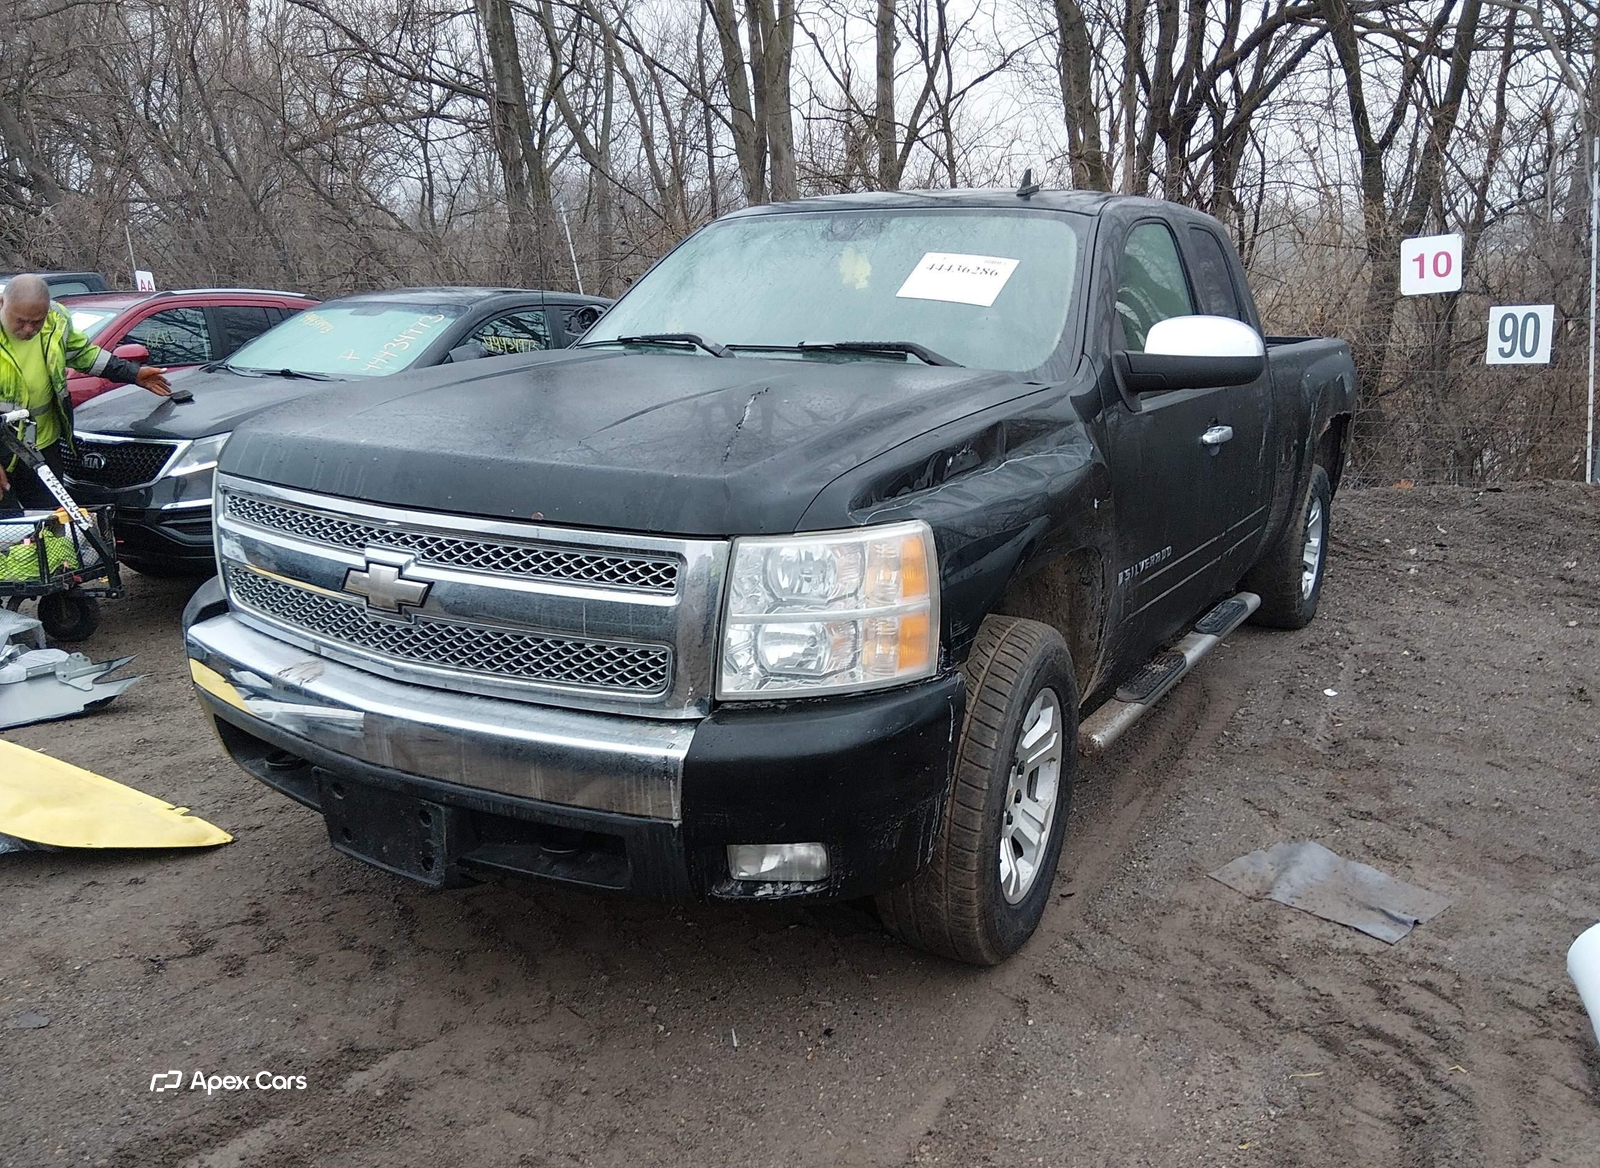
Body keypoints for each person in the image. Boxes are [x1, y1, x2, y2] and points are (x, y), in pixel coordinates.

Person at [0, 273, 171, 514]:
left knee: (51, 524)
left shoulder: (56, 320)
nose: (28, 329)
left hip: (42, 447)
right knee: (8, 532)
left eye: (36, 322)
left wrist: (132, 373)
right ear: (2, 304)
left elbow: (83, 354)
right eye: (21, 321)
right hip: (4, 449)